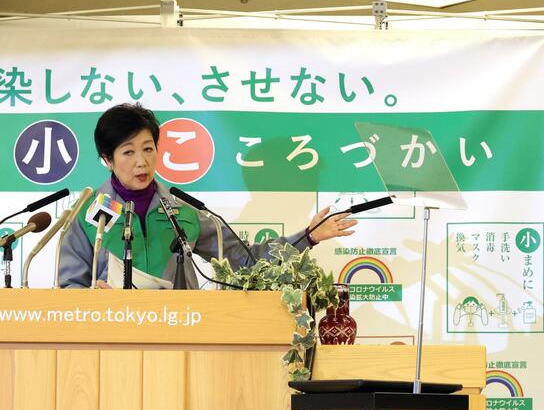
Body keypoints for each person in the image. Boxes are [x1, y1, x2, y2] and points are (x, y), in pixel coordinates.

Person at [58, 103, 356, 288]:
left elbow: (245, 259)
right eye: (128, 152)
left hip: (177, 339)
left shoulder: (182, 211)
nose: (142, 161)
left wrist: (310, 236)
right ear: (108, 159)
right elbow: (68, 287)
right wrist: (93, 304)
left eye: (148, 148)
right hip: (110, 342)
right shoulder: (85, 215)